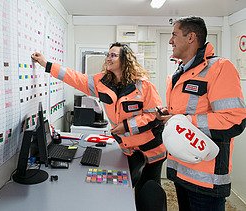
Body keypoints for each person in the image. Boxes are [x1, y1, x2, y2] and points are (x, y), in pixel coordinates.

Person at [32, 42, 166, 210]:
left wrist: (126, 126)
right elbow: (74, 77)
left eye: (114, 55)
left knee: (147, 192)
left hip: (151, 149)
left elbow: (153, 116)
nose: (108, 58)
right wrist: (46, 64)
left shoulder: (143, 85)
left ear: (125, 60)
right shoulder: (101, 81)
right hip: (128, 149)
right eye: (108, 55)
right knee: (124, 187)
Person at [157, 16, 246, 211]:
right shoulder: (178, 73)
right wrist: (169, 114)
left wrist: (184, 121)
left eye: (174, 35)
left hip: (206, 177)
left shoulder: (220, 68)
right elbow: (185, 112)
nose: (170, 41)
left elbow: (234, 120)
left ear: (191, 37)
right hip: (180, 169)